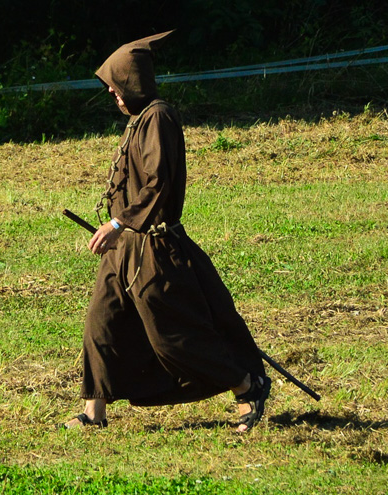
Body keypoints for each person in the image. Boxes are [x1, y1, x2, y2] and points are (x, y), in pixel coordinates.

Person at [62, 30, 270, 433]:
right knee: (101, 322)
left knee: (171, 335)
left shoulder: (158, 116)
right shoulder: (139, 118)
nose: (113, 95)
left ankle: (248, 386)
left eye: (116, 86)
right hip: (124, 248)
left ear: (133, 81)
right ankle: (94, 413)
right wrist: (118, 229)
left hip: (153, 248)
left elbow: (158, 184)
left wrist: (119, 223)